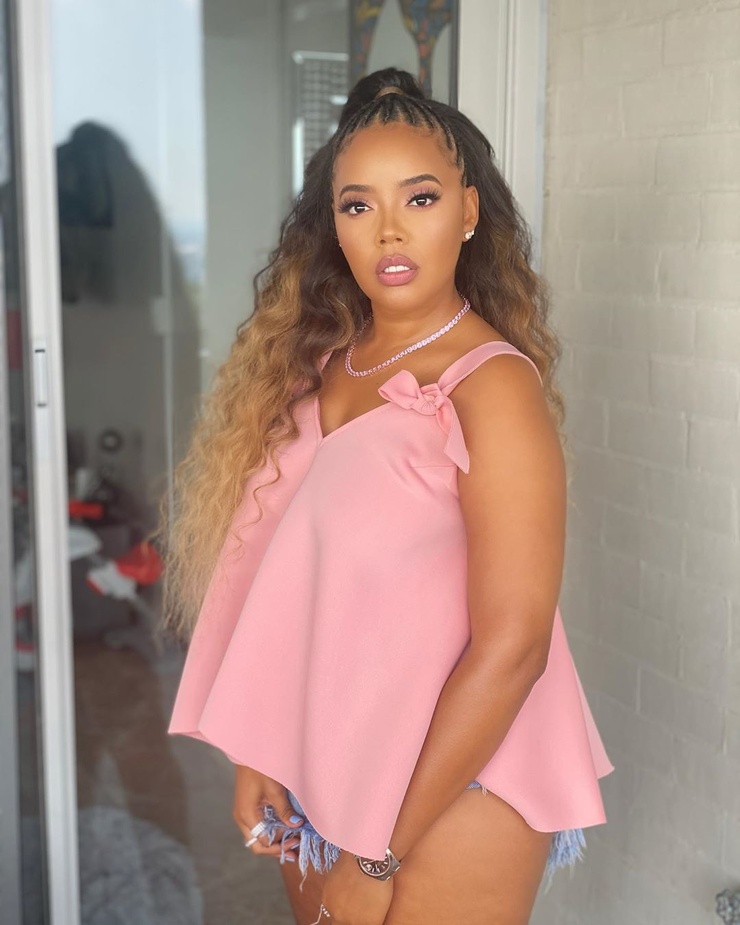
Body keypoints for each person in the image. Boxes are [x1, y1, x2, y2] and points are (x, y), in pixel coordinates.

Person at [162, 67, 614, 925]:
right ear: (334, 225)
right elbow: (295, 587)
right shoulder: (318, 370)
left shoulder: (491, 387)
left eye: (421, 197)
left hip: (452, 784)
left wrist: (376, 850)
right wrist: (264, 748)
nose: (389, 230)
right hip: (321, 766)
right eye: (358, 205)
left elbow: (515, 646)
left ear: (469, 211)